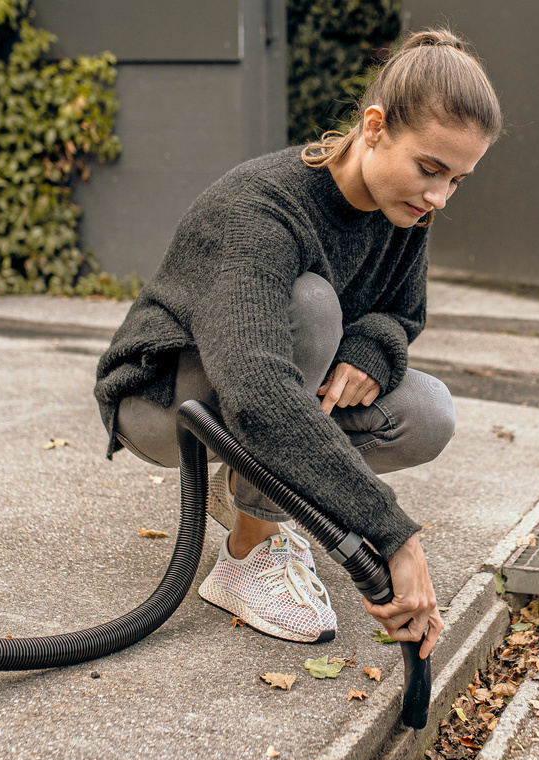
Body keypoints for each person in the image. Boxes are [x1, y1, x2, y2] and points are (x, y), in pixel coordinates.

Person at [93, 29, 501, 661]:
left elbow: (402, 315)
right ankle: (249, 551)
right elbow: (256, 393)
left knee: (428, 412)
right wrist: (393, 535)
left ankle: (248, 493)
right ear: (374, 128)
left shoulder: (405, 211)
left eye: (458, 180)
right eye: (429, 169)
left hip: (253, 396)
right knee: (309, 305)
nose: (439, 198)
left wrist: (372, 348)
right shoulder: (261, 209)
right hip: (165, 401)